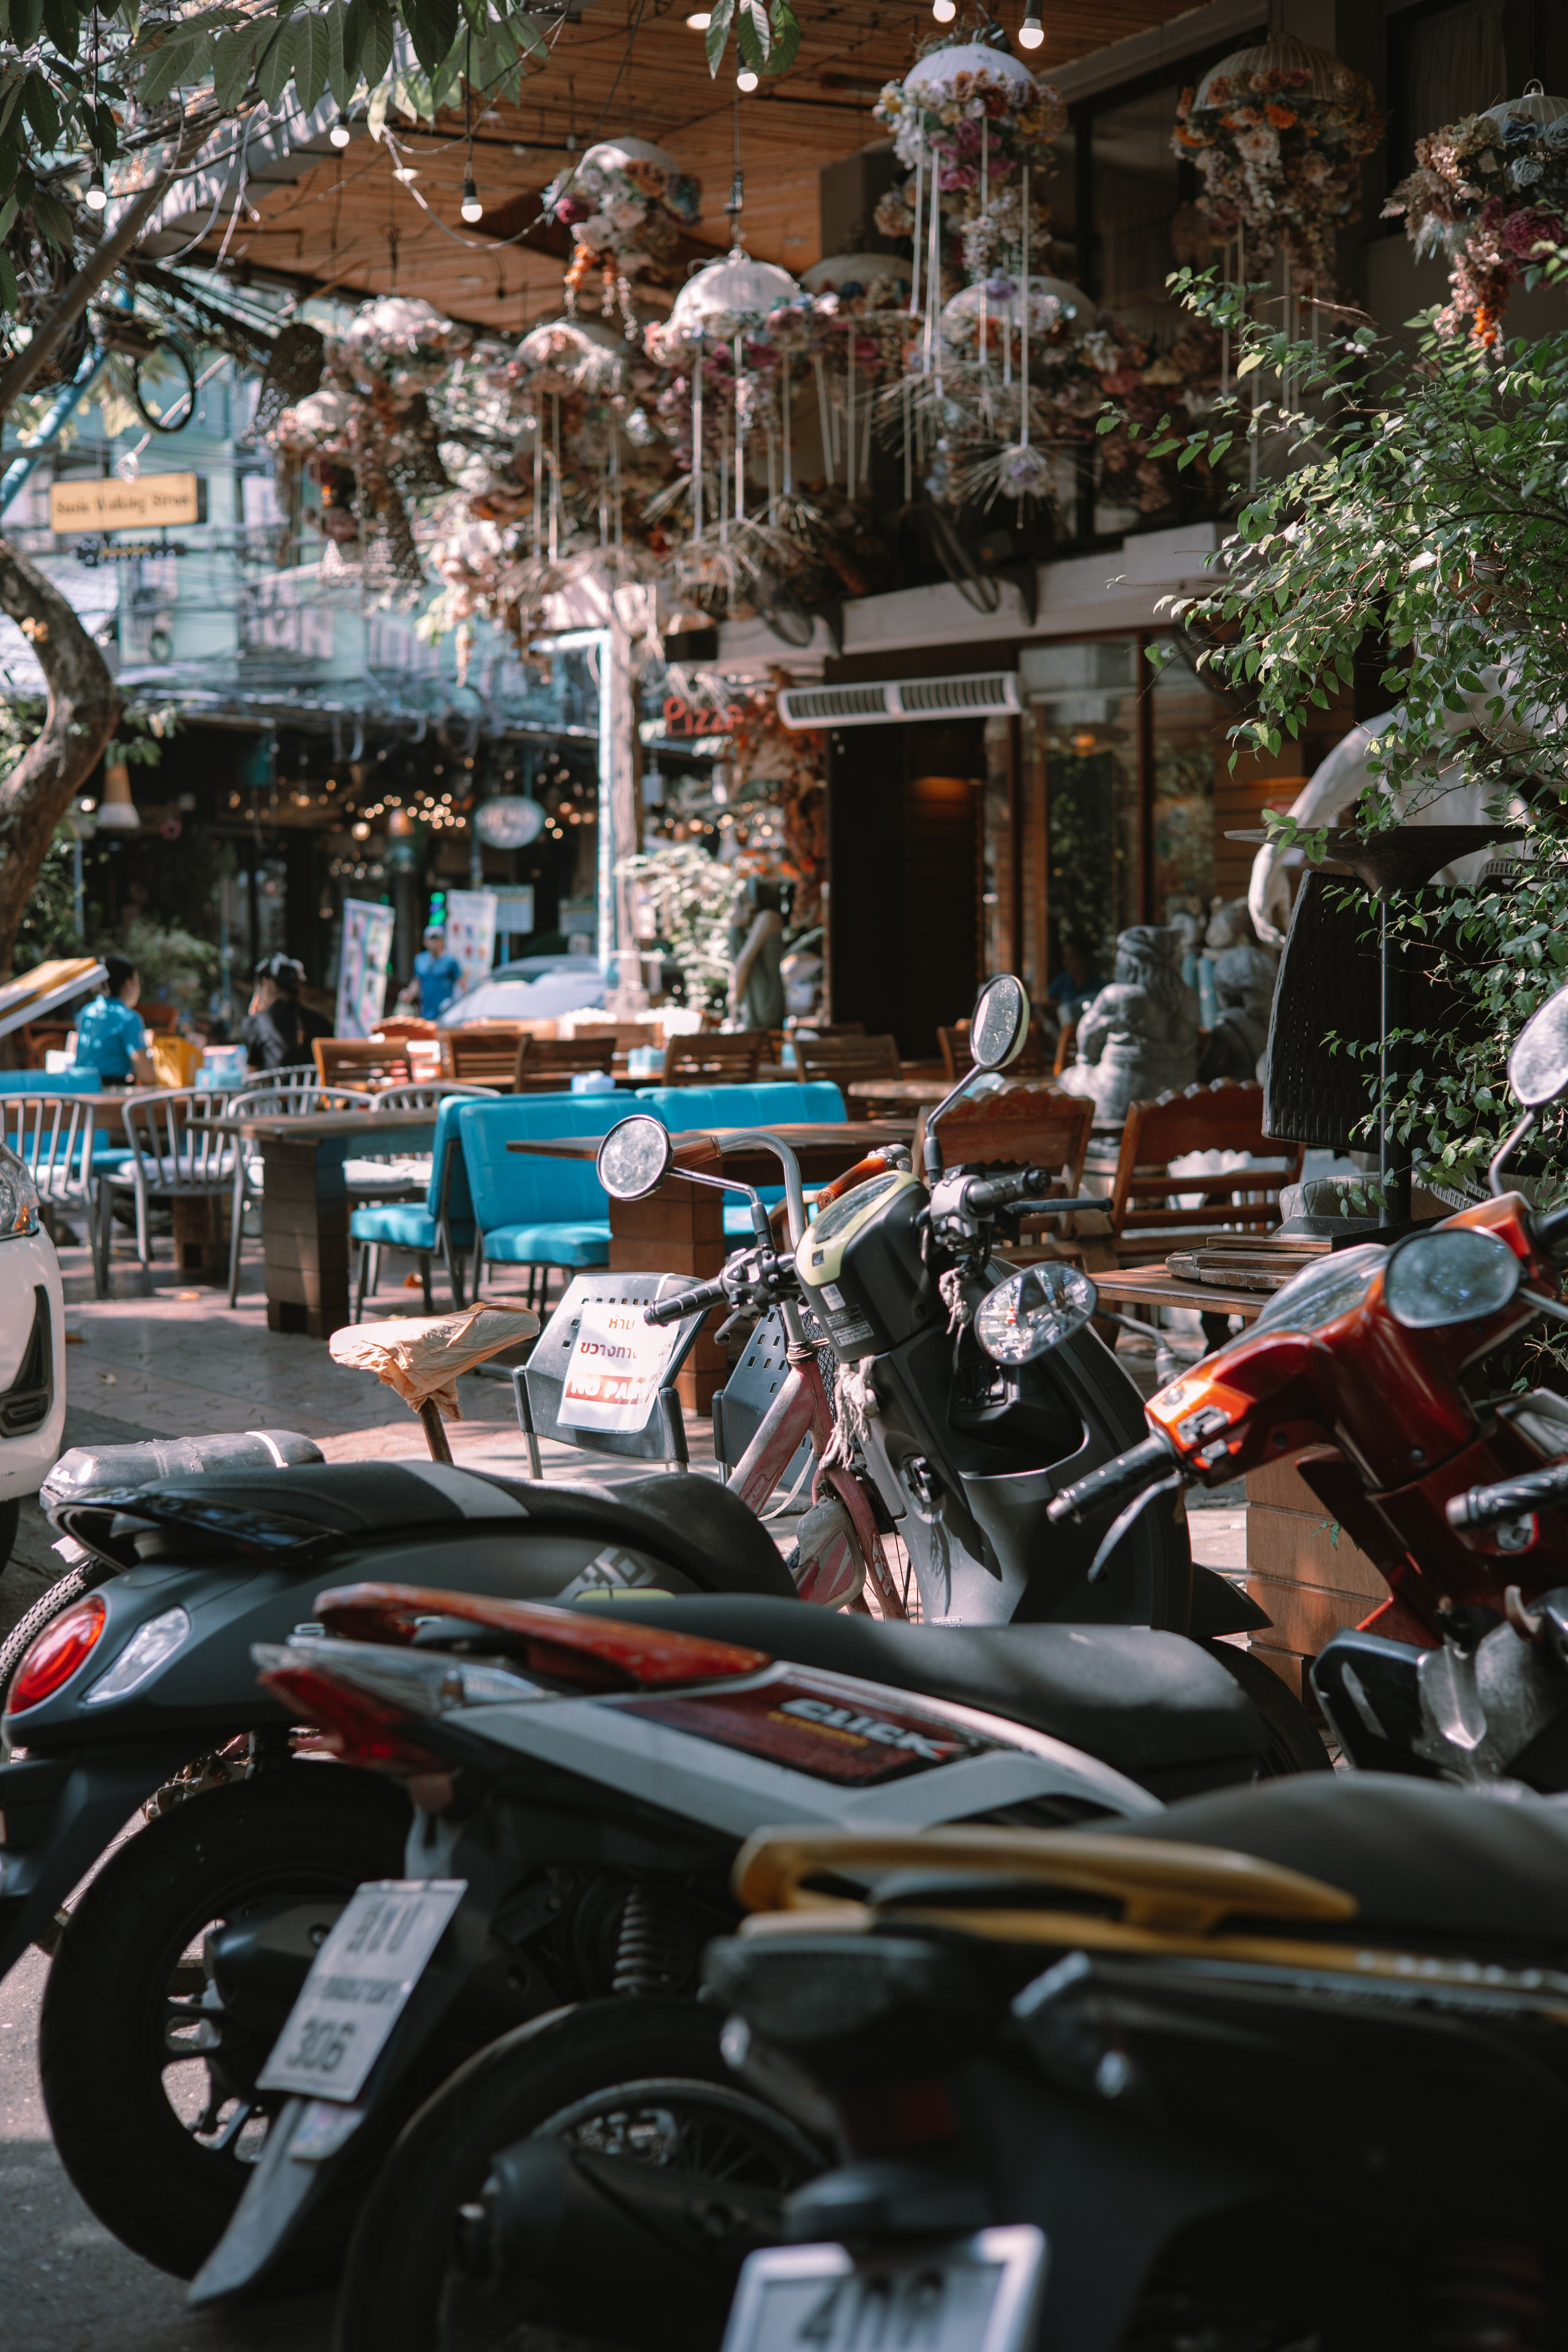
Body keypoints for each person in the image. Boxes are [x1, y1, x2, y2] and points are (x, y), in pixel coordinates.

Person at [73, 955, 156, 1085]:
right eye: (137, 981)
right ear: (129, 983)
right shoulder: (128, 1018)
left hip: (79, 1088)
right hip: (109, 1094)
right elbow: (147, 1077)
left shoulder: (87, 1012)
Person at [241, 954, 327, 1074]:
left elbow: (253, 1077)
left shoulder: (257, 1024)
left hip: (274, 1092)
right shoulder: (322, 1022)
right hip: (316, 1092)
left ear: (267, 985)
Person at [412, 926, 463, 1021]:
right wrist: (409, 994)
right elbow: (416, 982)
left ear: (443, 941)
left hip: (445, 1012)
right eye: (432, 940)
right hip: (426, 1012)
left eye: (437, 940)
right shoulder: (420, 960)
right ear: (425, 941)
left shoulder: (450, 961)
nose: (434, 943)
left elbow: (462, 984)